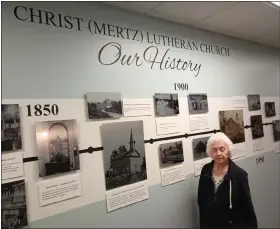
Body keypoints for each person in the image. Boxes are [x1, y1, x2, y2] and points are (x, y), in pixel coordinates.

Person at [197, 132, 258, 228]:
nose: (218, 153)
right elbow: (201, 201)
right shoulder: (206, 170)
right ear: (210, 152)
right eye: (214, 150)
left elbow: (247, 209)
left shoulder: (239, 175)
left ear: (228, 151)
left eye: (222, 149)